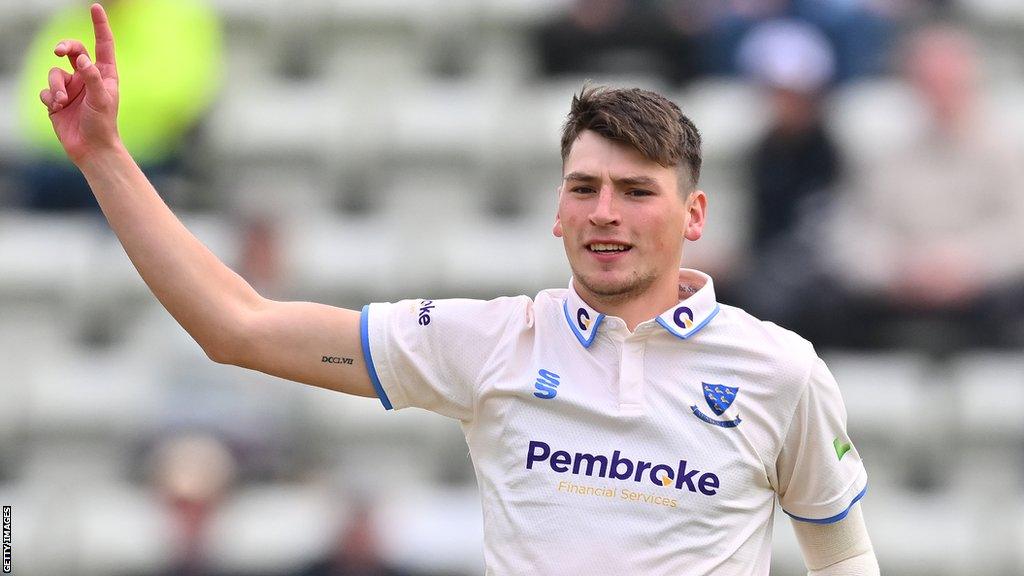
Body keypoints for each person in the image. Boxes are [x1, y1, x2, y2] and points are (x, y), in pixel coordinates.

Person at [40, 5, 879, 574]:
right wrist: (107, 157)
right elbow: (238, 327)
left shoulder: (780, 372)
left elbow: (842, 555)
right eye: (583, 189)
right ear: (556, 211)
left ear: (693, 213)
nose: (605, 213)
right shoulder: (488, 341)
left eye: (637, 191)